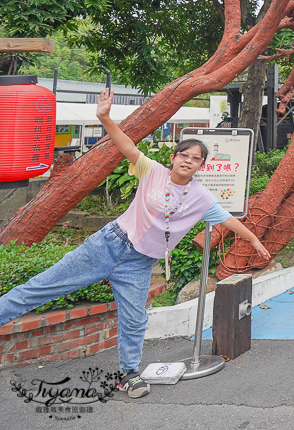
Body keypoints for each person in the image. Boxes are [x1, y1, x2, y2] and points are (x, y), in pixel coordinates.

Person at [0, 89, 271, 399]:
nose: (189, 161)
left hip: (139, 263)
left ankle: (128, 373)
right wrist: (104, 117)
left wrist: (253, 240)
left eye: (196, 159)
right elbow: (126, 145)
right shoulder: (152, 171)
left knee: (134, 319)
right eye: (184, 155)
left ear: (201, 166)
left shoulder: (201, 197)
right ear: (173, 158)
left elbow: (228, 221)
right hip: (107, 245)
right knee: (42, 286)